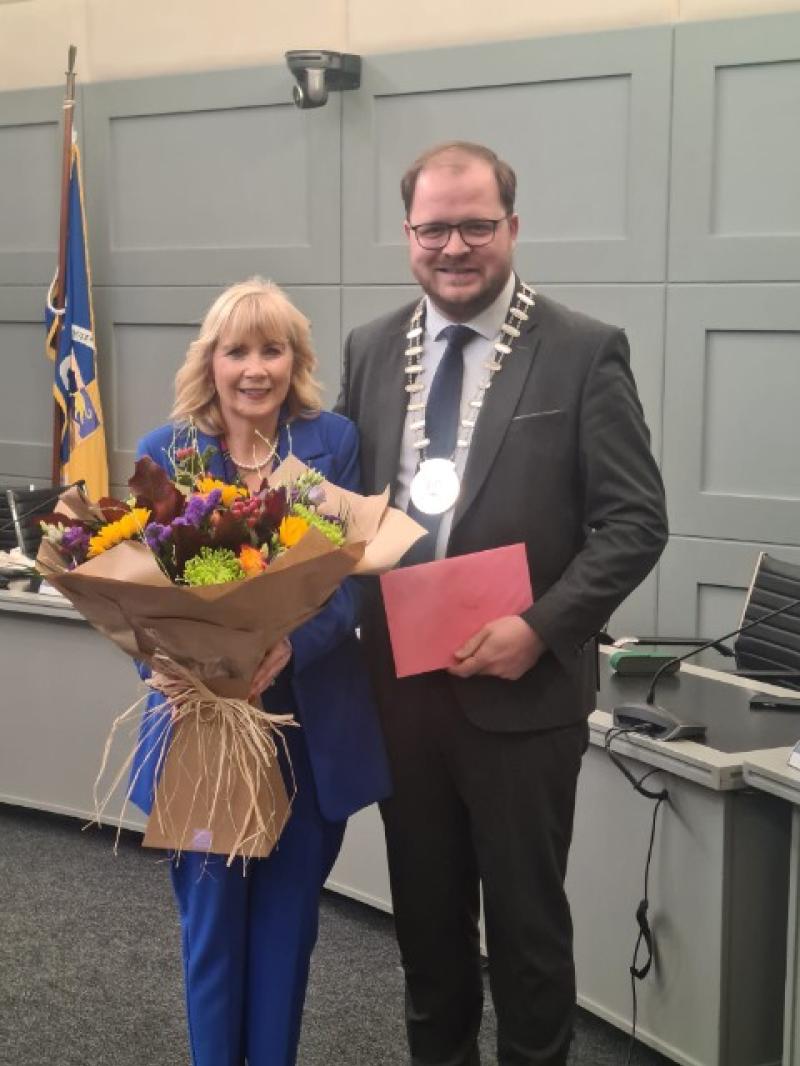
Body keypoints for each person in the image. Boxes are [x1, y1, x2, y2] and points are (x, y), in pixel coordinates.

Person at [336, 142, 669, 1066]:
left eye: (475, 225)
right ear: (408, 234)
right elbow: (346, 514)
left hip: (522, 701)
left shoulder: (581, 350)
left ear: (511, 228)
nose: (455, 246)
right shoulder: (369, 349)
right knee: (428, 938)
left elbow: (636, 524)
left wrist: (541, 628)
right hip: (402, 694)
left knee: (526, 939)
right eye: (434, 227)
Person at [131, 278, 391, 1066]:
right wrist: (188, 654)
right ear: (209, 362)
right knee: (212, 933)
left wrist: (290, 644)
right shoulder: (167, 452)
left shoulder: (332, 442)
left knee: (286, 936)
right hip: (203, 729)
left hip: (308, 735)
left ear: (295, 360)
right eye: (236, 350)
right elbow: (139, 593)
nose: (255, 369)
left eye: (271, 349)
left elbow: (349, 577)